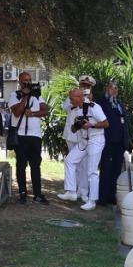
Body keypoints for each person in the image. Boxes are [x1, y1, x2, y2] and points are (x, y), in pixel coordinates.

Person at [59, 84, 108, 210]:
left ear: (80, 97)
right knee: (69, 160)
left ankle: (92, 201)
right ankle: (71, 191)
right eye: (70, 99)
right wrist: (76, 127)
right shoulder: (77, 109)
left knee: (92, 171)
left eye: (72, 99)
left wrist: (91, 125)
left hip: (95, 141)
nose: (70, 101)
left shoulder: (94, 107)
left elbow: (106, 123)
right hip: (83, 141)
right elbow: (74, 129)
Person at [7, 71, 49, 204]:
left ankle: (37, 194)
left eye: (30, 80)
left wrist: (33, 114)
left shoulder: (37, 95)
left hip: (35, 135)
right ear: (20, 82)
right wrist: (24, 97)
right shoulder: (14, 95)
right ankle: (22, 193)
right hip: (20, 136)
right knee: (21, 165)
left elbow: (45, 111)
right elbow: (17, 112)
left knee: (35, 165)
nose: (28, 83)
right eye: (25, 81)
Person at [95, 79, 128, 204]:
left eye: (116, 87)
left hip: (119, 142)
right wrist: (106, 96)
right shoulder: (102, 102)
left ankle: (111, 194)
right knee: (106, 169)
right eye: (111, 87)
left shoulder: (119, 103)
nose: (114, 90)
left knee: (116, 170)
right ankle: (102, 196)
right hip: (108, 141)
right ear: (106, 89)